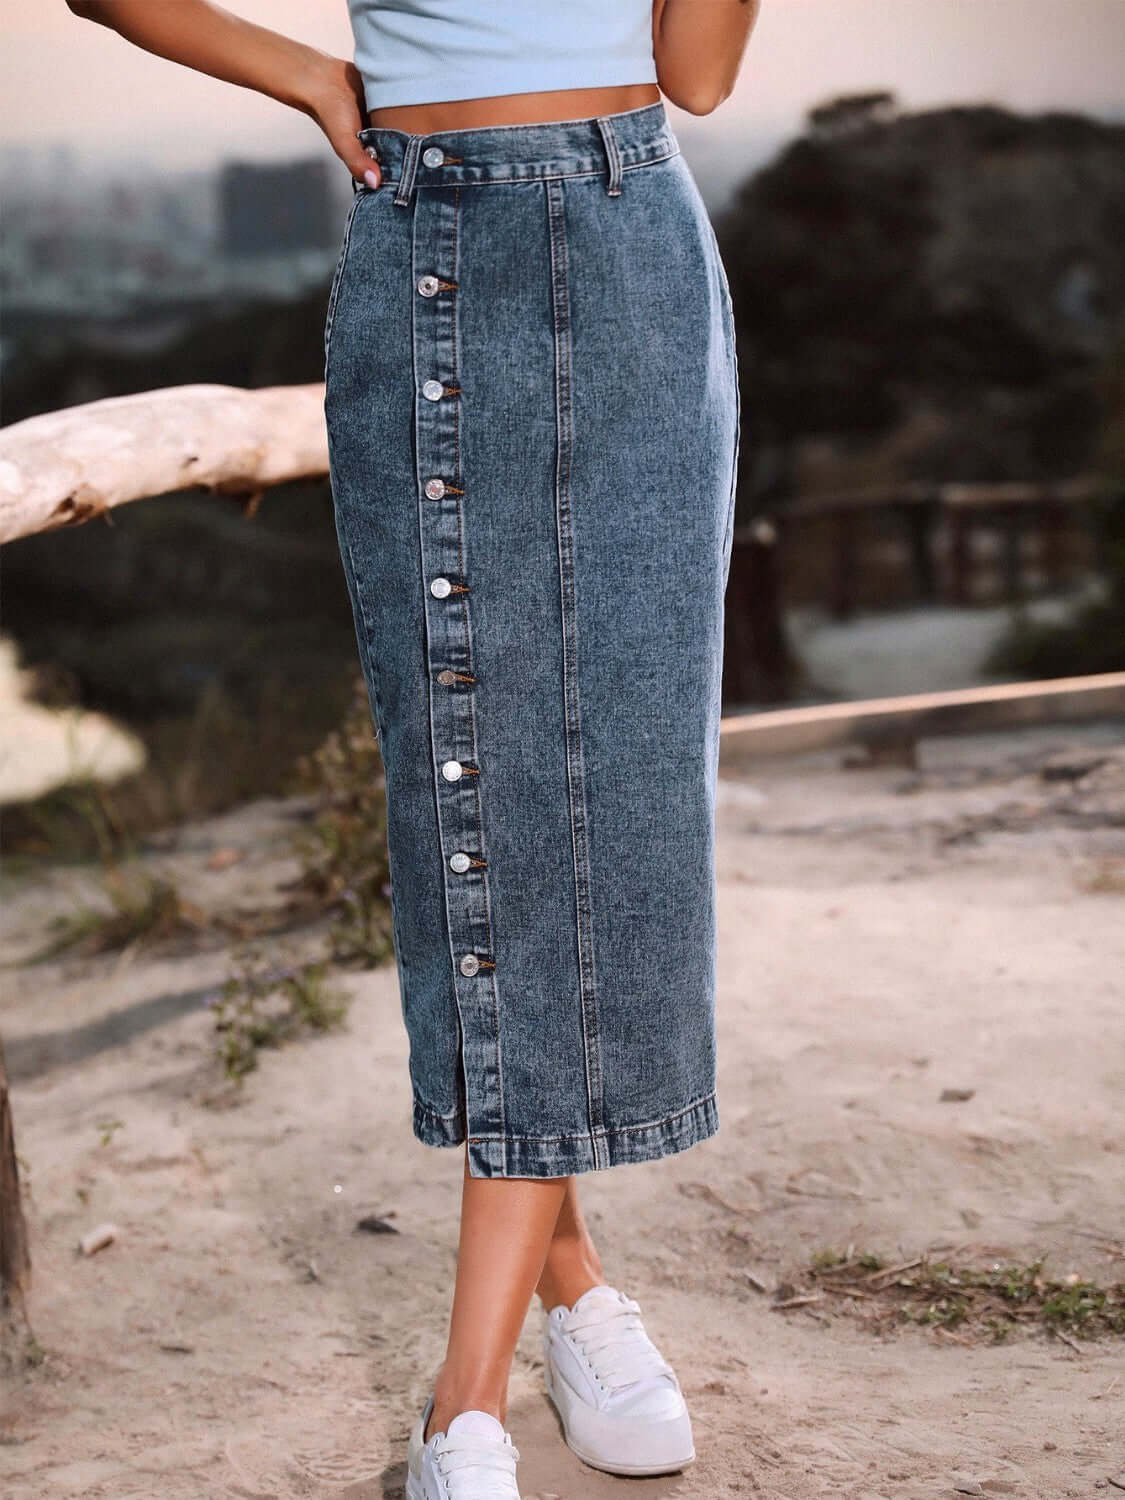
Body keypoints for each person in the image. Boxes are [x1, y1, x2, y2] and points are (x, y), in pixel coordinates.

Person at [65, 3, 760, 1495]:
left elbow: (696, 73)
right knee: (477, 777)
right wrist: (315, 76)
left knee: (604, 789)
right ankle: (476, 1395)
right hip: (441, 243)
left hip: (627, 247)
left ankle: (541, 1320)